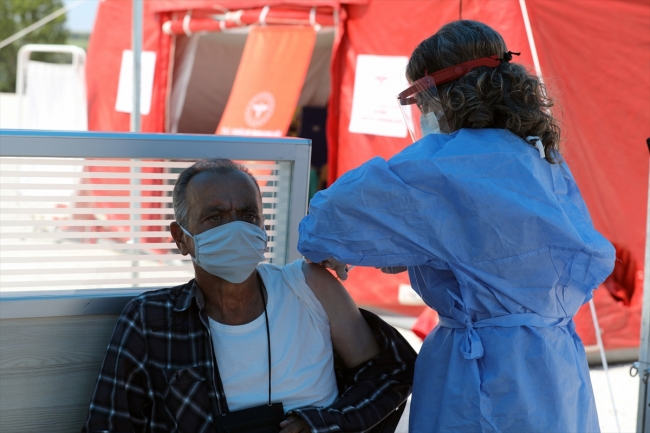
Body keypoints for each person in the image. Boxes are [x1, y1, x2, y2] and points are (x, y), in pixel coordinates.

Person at [298, 20, 615, 433]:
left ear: (444, 94)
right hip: (555, 366)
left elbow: (323, 222)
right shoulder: (543, 160)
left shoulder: (439, 163)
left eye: (424, 102)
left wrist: (348, 249)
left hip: (479, 369)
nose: (425, 115)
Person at [82, 158, 416, 433]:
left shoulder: (308, 286)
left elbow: (387, 375)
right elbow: (109, 424)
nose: (236, 229)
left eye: (248, 215)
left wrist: (320, 425)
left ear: (263, 227)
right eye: (216, 217)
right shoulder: (151, 320)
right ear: (181, 238)